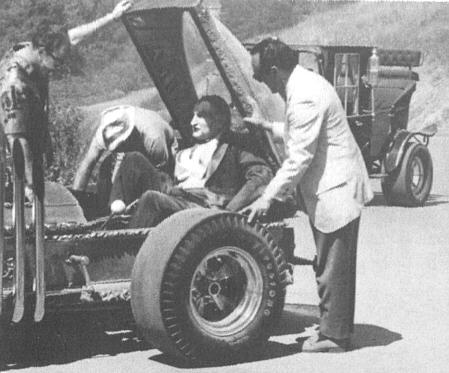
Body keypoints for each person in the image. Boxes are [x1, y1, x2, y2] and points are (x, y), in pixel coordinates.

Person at [242, 37, 373, 353]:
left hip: (335, 189)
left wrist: (266, 197)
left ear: (275, 70)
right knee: (330, 262)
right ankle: (333, 329)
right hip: (334, 185)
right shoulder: (307, 84)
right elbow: (301, 130)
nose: (262, 82)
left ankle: (334, 337)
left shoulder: (304, 96)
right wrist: (266, 125)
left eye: (260, 76)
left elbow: (299, 156)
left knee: (332, 266)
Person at [0, 0, 133, 187]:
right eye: (58, 62)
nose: (59, 68)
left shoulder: (36, 50)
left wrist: (112, 17)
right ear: (42, 52)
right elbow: (17, 142)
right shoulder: (15, 83)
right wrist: (32, 186)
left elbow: (73, 37)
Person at [109, 95, 273, 228]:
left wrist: (230, 213)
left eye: (200, 116)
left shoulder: (234, 146)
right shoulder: (187, 151)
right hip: (174, 195)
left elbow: (260, 176)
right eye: (193, 115)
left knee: (152, 199)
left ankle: (126, 252)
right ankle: (115, 212)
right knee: (133, 159)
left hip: (201, 206)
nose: (192, 122)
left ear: (219, 120)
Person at [71, 105, 174, 216]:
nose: (117, 150)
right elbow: (87, 165)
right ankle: (105, 211)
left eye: (119, 146)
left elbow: (163, 178)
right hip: (134, 155)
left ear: (128, 138)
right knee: (106, 164)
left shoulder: (153, 138)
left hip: (160, 165)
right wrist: (74, 203)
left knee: (133, 160)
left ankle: (122, 215)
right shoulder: (108, 130)